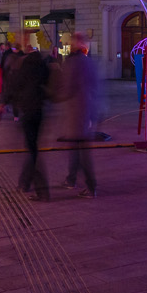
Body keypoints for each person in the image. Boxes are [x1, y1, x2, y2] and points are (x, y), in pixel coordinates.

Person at [57, 38, 101, 197]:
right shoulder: (89, 62)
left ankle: (90, 186)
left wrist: (55, 95)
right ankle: (71, 179)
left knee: (81, 151)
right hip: (86, 111)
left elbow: (67, 88)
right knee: (76, 148)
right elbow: (96, 87)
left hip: (77, 112)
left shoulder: (73, 62)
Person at [8, 44, 52, 200]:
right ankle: (24, 182)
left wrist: (4, 102)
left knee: (32, 150)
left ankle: (42, 191)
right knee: (32, 147)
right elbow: (47, 82)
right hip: (39, 110)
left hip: (28, 110)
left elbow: (14, 85)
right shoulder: (42, 64)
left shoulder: (23, 64)